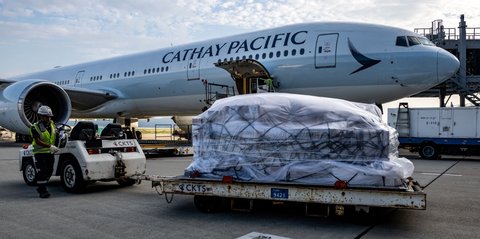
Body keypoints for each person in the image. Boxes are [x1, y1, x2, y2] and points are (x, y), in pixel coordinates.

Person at [30, 105, 58, 198]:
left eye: (49, 116)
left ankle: (41, 186)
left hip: (50, 152)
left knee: (50, 171)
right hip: (40, 152)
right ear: (40, 116)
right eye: (46, 116)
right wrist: (50, 146)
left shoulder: (52, 124)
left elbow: (55, 134)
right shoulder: (35, 127)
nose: (48, 118)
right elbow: (38, 141)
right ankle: (42, 190)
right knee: (42, 171)